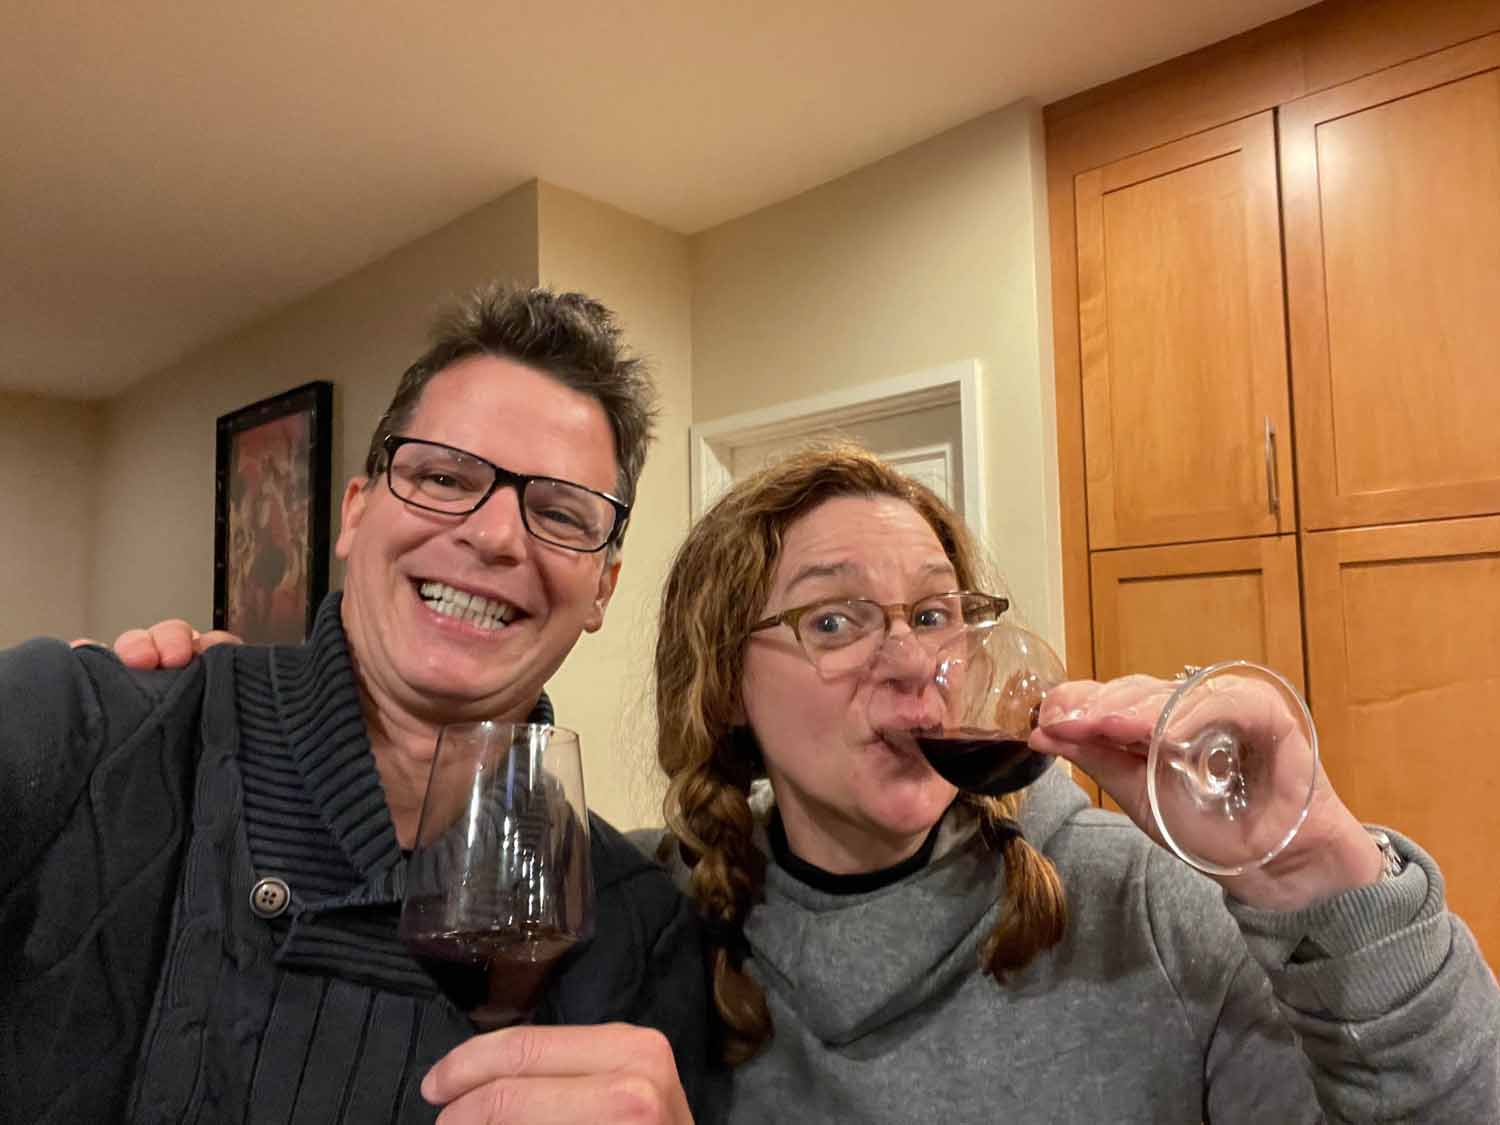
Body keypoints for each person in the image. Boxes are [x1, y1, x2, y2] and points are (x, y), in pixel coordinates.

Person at [1, 285, 715, 1124]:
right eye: (443, 476)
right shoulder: (72, 727)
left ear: (602, 587)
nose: (494, 536)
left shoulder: (640, 924)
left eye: (559, 513)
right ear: (354, 512)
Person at [649, 443, 1499, 1123]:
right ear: (725, 684)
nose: (910, 661)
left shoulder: (1145, 900)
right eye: (834, 619)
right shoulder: (659, 923)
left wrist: (1318, 867)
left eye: (935, 614)